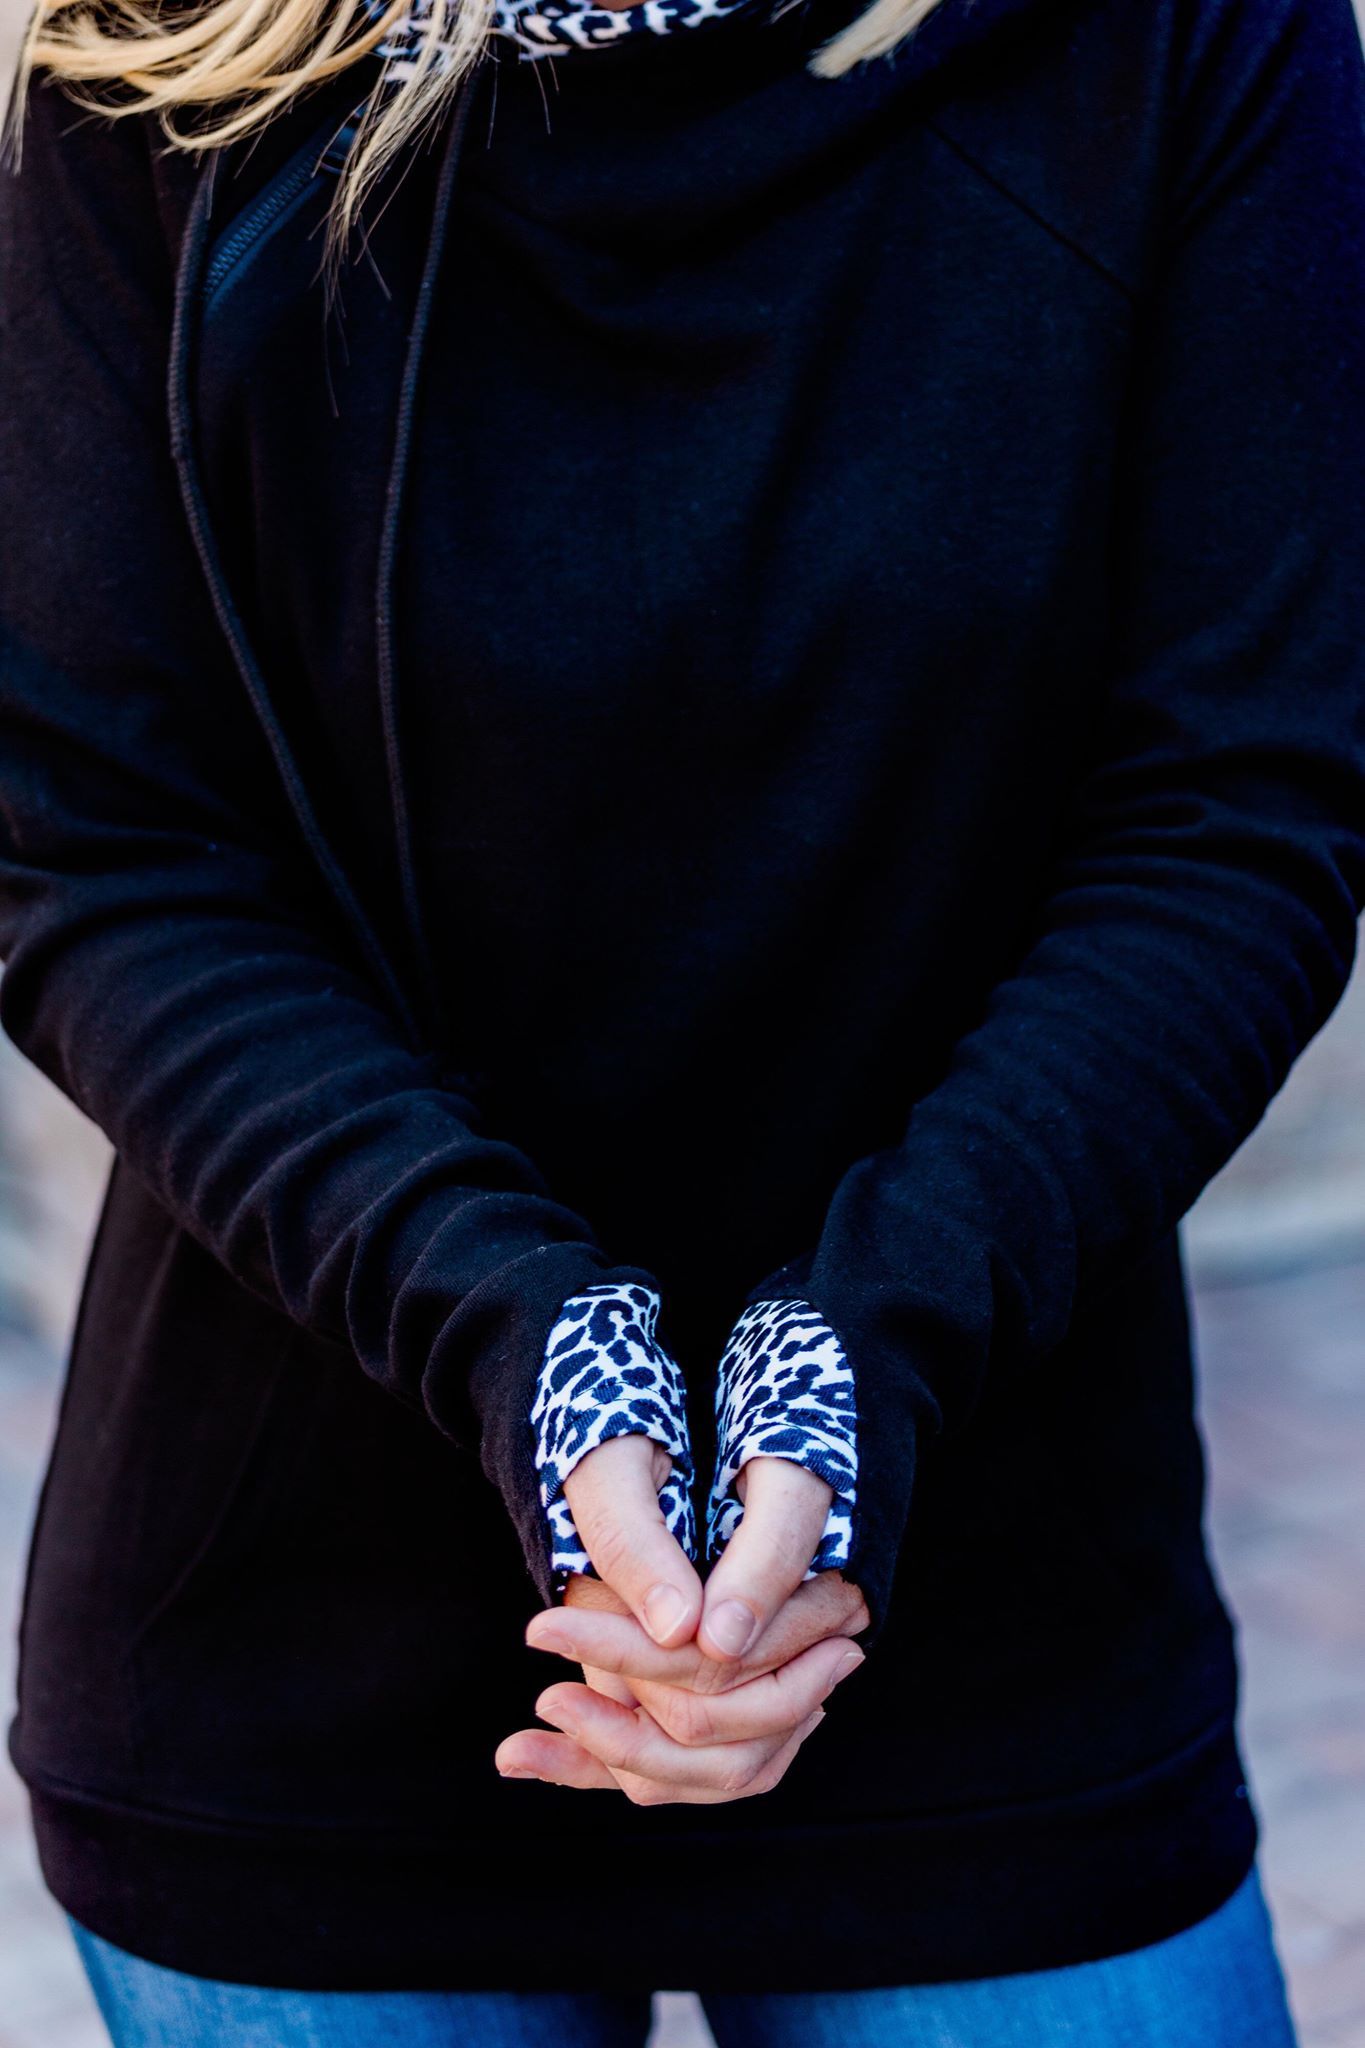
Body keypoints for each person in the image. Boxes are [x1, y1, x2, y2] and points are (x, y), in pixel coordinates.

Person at [1, 0, 1363, 2035]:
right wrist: (540, 1352)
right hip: (298, 1630)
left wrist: (853, 1365)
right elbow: (96, 847)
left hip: (992, 1611)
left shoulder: (1183, 39)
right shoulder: (159, 50)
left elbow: (1235, 812)